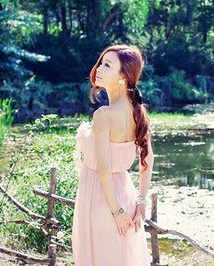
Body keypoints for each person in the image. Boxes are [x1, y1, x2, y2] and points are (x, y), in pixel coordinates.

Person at [72, 44, 154, 265]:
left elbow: (103, 169)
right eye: (101, 62)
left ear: (123, 76)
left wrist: (116, 212)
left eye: (107, 65)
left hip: (101, 199)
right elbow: (148, 160)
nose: (98, 68)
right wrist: (141, 202)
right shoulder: (138, 113)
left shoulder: (104, 115)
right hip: (124, 196)